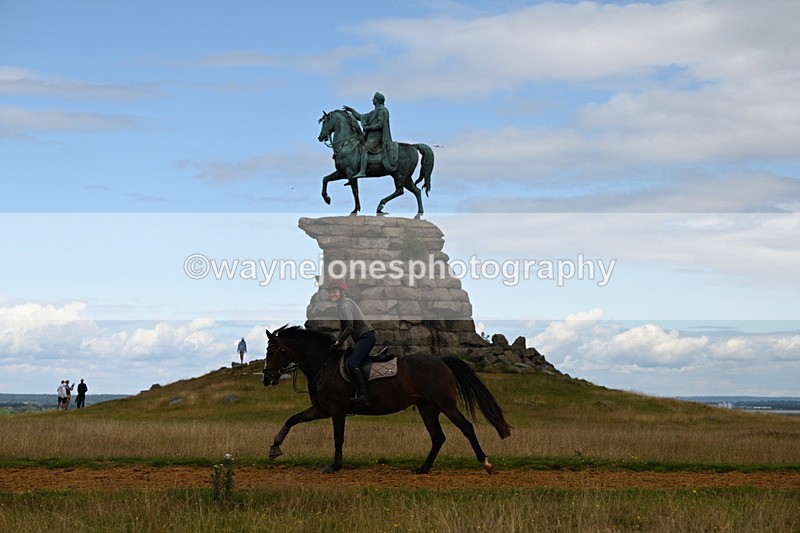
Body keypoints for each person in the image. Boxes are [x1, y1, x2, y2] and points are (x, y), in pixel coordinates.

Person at [326, 278, 375, 406]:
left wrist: (339, 341)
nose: (332, 294)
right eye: (330, 292)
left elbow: (349, 328)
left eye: (334, 291)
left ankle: (364, 395)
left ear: (342, 292)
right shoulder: (340, 305)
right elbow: (343, 328)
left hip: (366, 337)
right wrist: (337, 342)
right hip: (362, 338)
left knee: (353, 364)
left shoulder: (345, 304)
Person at [343, 91, 398, 181]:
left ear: (378, 100)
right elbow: (360, 116)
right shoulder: (373, 112)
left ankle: (362, 171)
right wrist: (351, 110)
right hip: (370, 137)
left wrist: (368, 128)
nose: (372, 99)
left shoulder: (382, 110)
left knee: (364, 149)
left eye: (374, 98)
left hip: (377, 138)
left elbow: (380, 124)